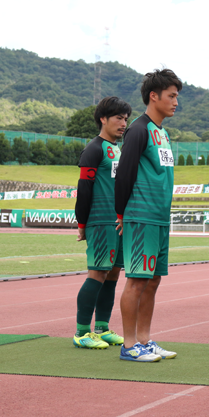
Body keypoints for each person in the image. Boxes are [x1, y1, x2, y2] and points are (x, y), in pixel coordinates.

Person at [115, 69, 182, 362]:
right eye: (171, 95)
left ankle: (144, 340)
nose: (176, 101)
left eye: (177, 96)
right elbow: (125, 173)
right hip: (140, 216)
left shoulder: (162, 132)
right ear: (153, 96)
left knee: (153, 280)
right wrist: (121, 213)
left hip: (159, 217)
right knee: (137, 281)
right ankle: (129, 345)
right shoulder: (138, 130)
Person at [73, 96, 131, 350]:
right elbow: (84, 188)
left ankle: (102, 328)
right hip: (99, 220)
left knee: (113, 274)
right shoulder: (93, 149)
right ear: (103, 119)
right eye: (118, 118)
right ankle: (81, 332)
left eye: (126, 119)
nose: (123, 123)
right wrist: (82, 223)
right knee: (97, 272)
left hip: (118, 222)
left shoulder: (118, 149)